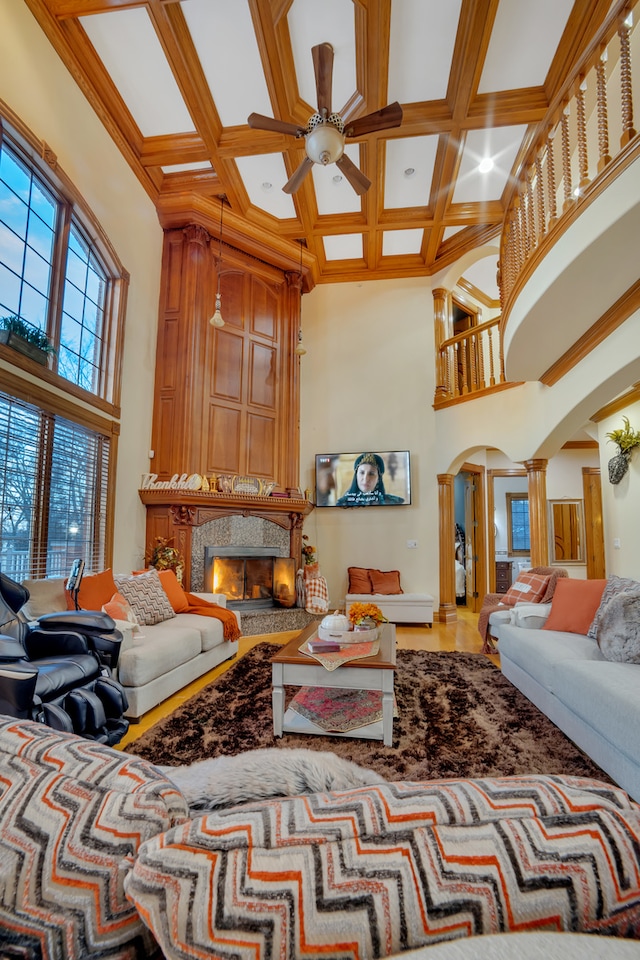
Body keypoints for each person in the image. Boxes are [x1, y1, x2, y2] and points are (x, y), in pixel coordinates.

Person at [336, 453, 404, 506]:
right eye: (362, 473)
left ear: (378, 479)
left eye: (371, 474)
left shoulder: (394, 502)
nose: (366, 479)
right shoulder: (342, 504)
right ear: (356, 476)